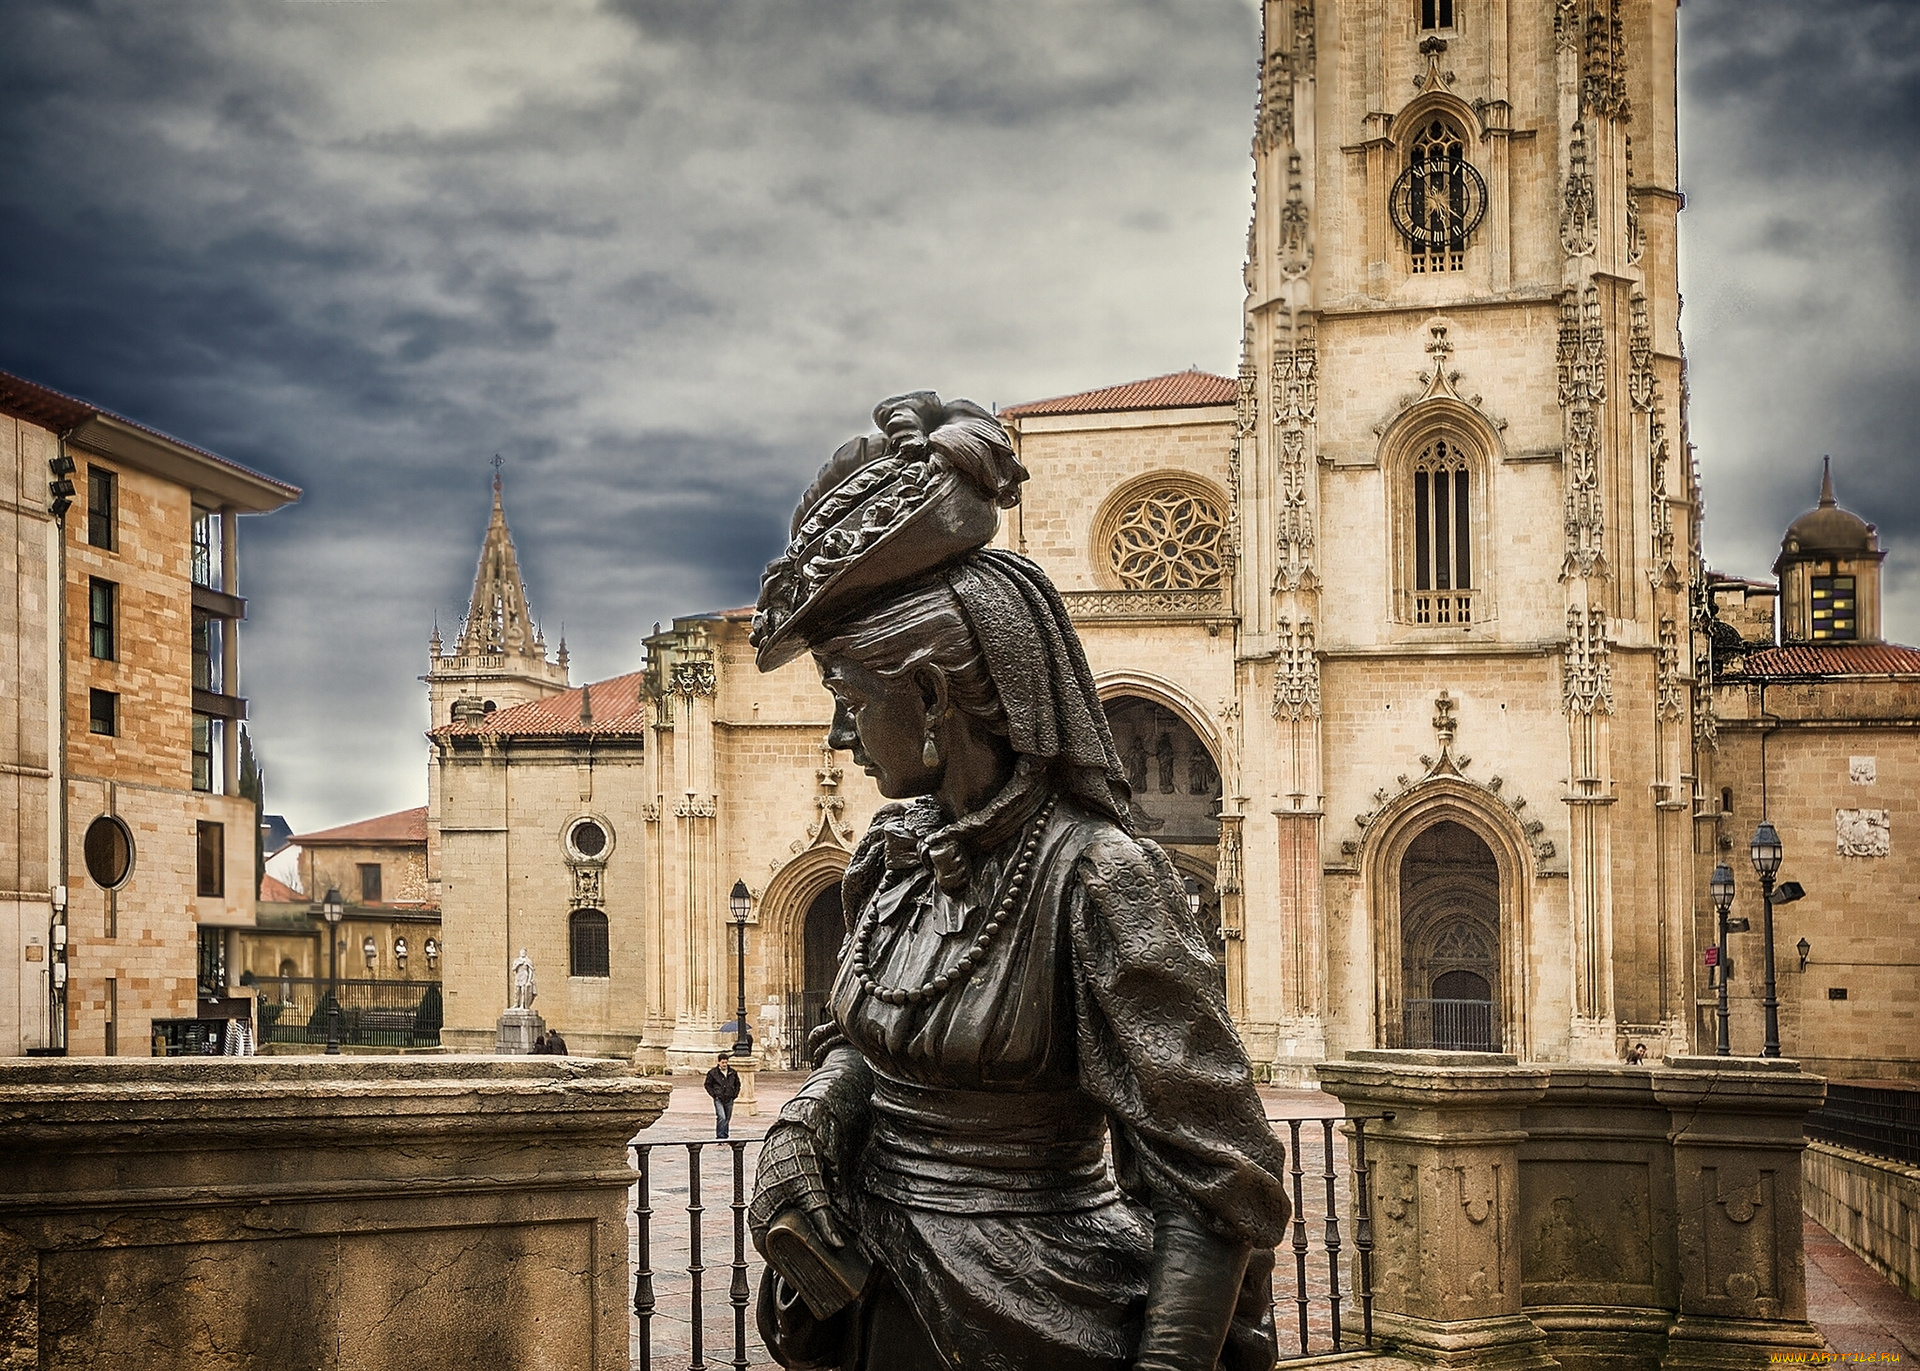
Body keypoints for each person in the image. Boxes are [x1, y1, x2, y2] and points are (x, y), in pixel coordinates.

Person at [744, 393, 1291, 1371]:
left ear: (929, 696)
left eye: (849, 702)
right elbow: (875, 1049)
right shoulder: (890, 856)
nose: (837, 737)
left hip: (1041, 1314)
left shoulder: (1102, 883)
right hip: (875, 1304)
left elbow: (1215, 1177)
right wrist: (809, 1118)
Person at [706, 1052, 742, 1139]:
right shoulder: (713, 1073)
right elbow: (707, 1084)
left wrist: (734, 1094)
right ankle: (720, 1136)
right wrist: (714, 1094)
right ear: (718, 1062)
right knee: (721, 1116)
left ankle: (725, 1135)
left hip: (729, 1097)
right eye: (723, 1062)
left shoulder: (732, 1072)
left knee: (727, 1118)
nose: (724, 1064)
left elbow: (737, 1084)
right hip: (719, 1097)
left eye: (726, 1062)